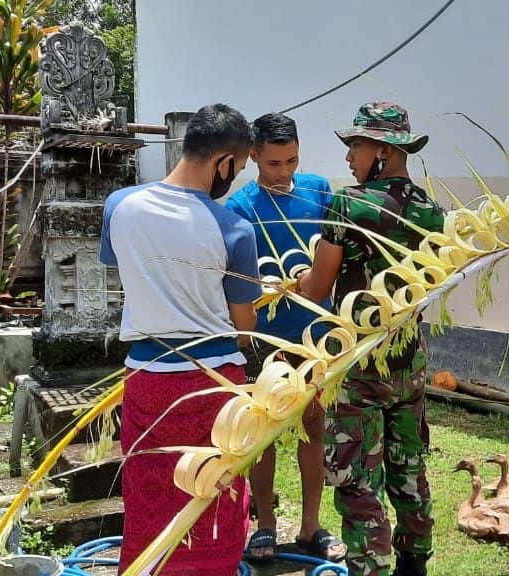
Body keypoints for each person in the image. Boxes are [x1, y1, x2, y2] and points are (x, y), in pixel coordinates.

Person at [100, 103, 261, 575]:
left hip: (149, 380)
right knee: (214, 495)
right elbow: (244, 326)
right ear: (224, 163)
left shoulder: (120, 206)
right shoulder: (233, 228)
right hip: (214, 388)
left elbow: (123, 267)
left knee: (150, 496)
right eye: (240, 168)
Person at [297, 102, 444, 576]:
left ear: (382, 150)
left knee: (358, 481)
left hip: (361, 364)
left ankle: (370, 567)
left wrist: (297, 279)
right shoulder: (432, 212)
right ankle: (414, 564)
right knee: (408, 469)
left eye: (356, 146)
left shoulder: (349, 205)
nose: (348, 159)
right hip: (410, 363)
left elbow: (319, 288)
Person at [224, 112, 347, 563]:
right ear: (253, 156)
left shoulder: (319, 190)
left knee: (314, 425)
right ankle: (265, 527)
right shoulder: (239, 208)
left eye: (291, 160)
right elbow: (236, 279)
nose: (284, 173)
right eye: (274, 164)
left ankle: (311, 525)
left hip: (316, 332)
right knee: (263, 430)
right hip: (263, 338)